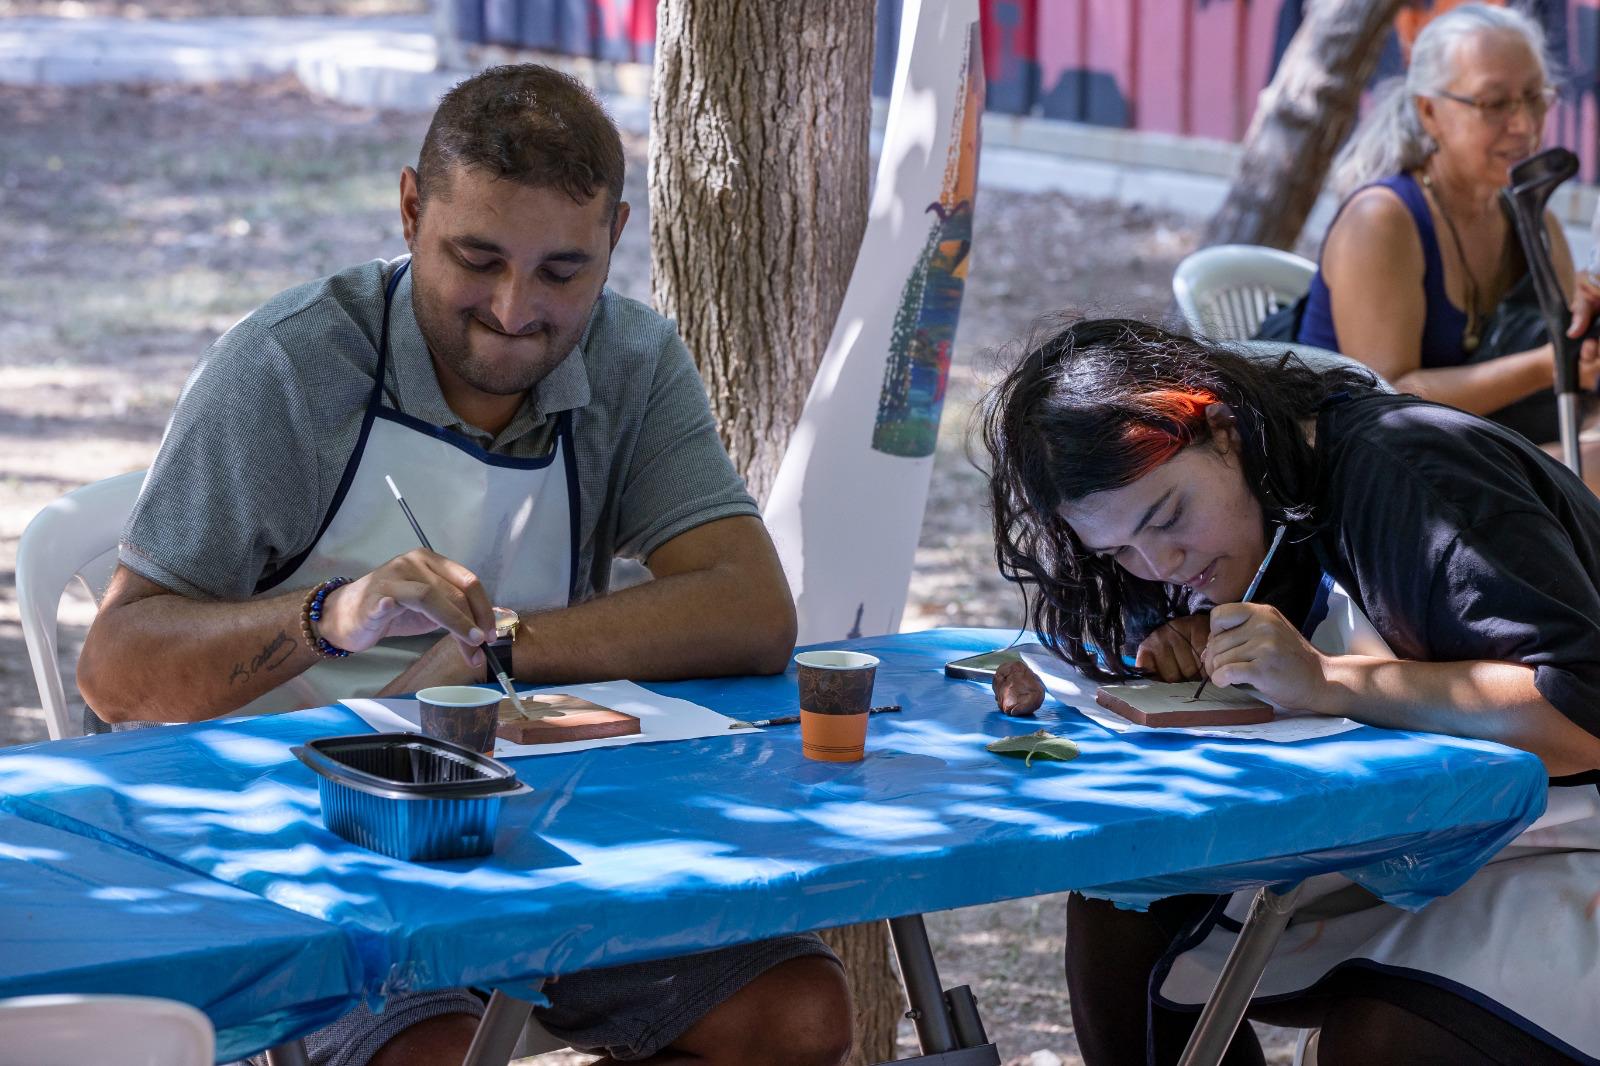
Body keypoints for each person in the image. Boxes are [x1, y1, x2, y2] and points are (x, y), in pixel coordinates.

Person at [76, 64, 852, 1066]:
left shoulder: (630, 361)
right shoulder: (289, 368)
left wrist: (498, 654)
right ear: (408, 209)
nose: (513, 309)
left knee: (792, 1013)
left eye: (562, 273)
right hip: (304, 857)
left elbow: (750, 609)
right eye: (476, 259)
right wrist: (332, 614)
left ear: (615, 235)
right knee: (431, 1053)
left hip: (535, 834)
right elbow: (115, 669)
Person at [984, 317, 1600, 1065]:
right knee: (1126, 907)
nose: (1161, 562)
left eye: (1169, 517)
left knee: (1384, 1039)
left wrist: (1329, 681)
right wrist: (1195, 638)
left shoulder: (1414, 472)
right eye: (1117, 551)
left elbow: (1579, 718)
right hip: (1450, 830)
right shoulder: (1245, 505)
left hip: (1568, 839)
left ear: (1224, 429)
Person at [1295, 4, 1600, 482]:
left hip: (1475, 447)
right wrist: (1548, 365)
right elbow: (1387, 396)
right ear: (1430, 111)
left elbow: (1570, 375)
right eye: (1494, 104)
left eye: (1534, 98)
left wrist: (1586, 336)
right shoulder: (1382, 222)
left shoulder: (1534, 225)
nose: (1523, 125)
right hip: (1373, 478)